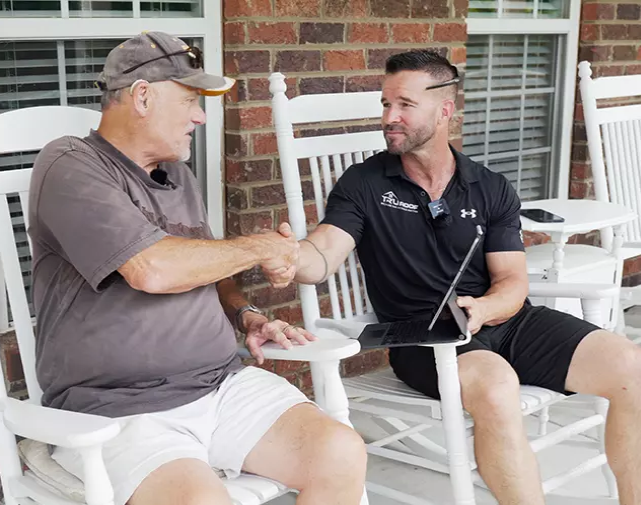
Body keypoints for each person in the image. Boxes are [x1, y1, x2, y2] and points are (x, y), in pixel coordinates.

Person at [267, 49, 641, 505]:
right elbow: (323, 252)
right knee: (497, 385)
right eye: (386, 104)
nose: (389, 116)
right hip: (424, 338)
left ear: (445, 109)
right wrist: (292, 258)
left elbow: (512, 283)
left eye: (404, 104)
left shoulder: (488, 186)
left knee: (632, 366)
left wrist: (483, 308)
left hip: (501, 320)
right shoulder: (364, 184)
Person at [29, 31, 366, 505]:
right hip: (121, 409)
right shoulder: (71, 164)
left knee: (340, 451)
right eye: (190, 99)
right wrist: (261, 247)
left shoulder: (175, 173)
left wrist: (244, 313)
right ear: (142, 95)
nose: (200, 116)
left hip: (219, 384)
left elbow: (205, 265)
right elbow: (153, 269)